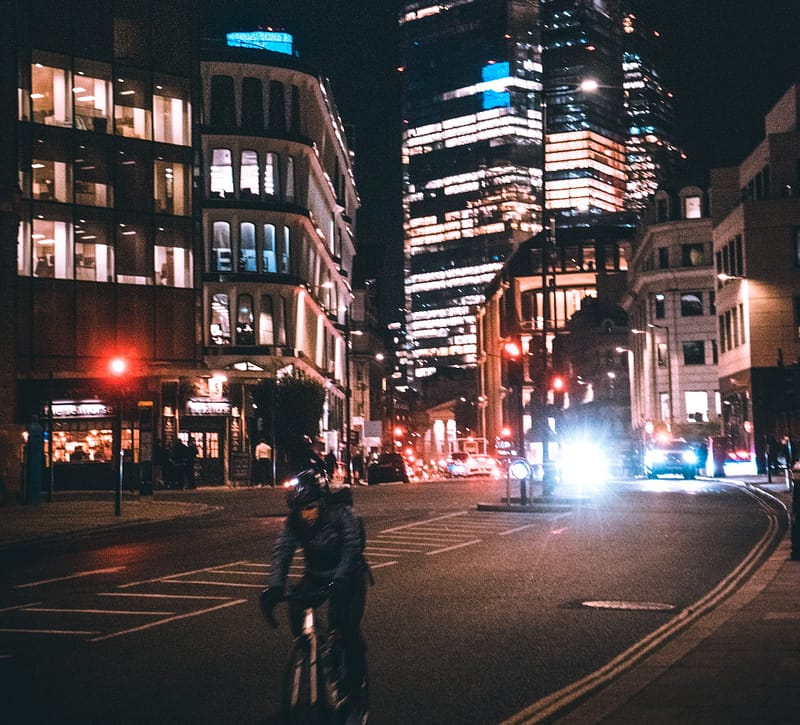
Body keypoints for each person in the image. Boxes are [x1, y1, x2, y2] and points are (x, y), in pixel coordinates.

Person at [260, 469, 371, 717]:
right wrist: (274, 587)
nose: (306, 514)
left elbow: (352, 548)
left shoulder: (341, 514)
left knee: (345, 627)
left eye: (311, 508)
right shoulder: (295, 522)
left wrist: (341, 578)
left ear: (321, 503)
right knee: (297, 607)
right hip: (316, 574)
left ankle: (354, 690)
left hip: (349, 576)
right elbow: (282, 551)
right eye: (301, 510)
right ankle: (314, 646)